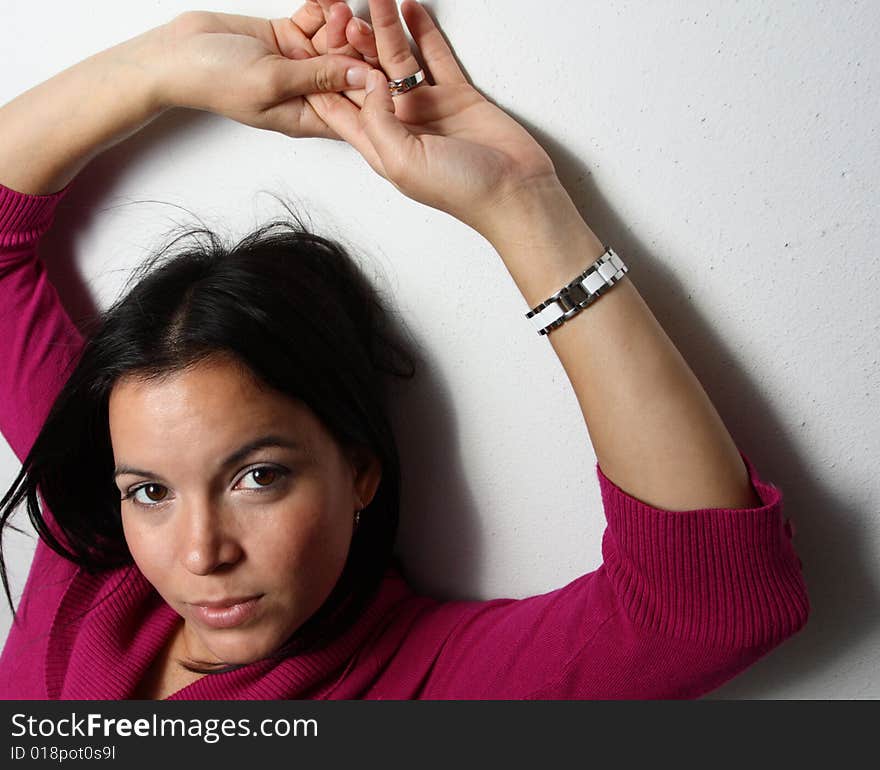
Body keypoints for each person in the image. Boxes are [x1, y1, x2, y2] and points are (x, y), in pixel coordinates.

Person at [0, 0, 809, 700]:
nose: (200, 553)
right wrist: (165, 63)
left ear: (359, 468)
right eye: (149, 492)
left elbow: (703, 608)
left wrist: (522, 205)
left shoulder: (416, 682)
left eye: (258, 476)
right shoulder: (94, 546)